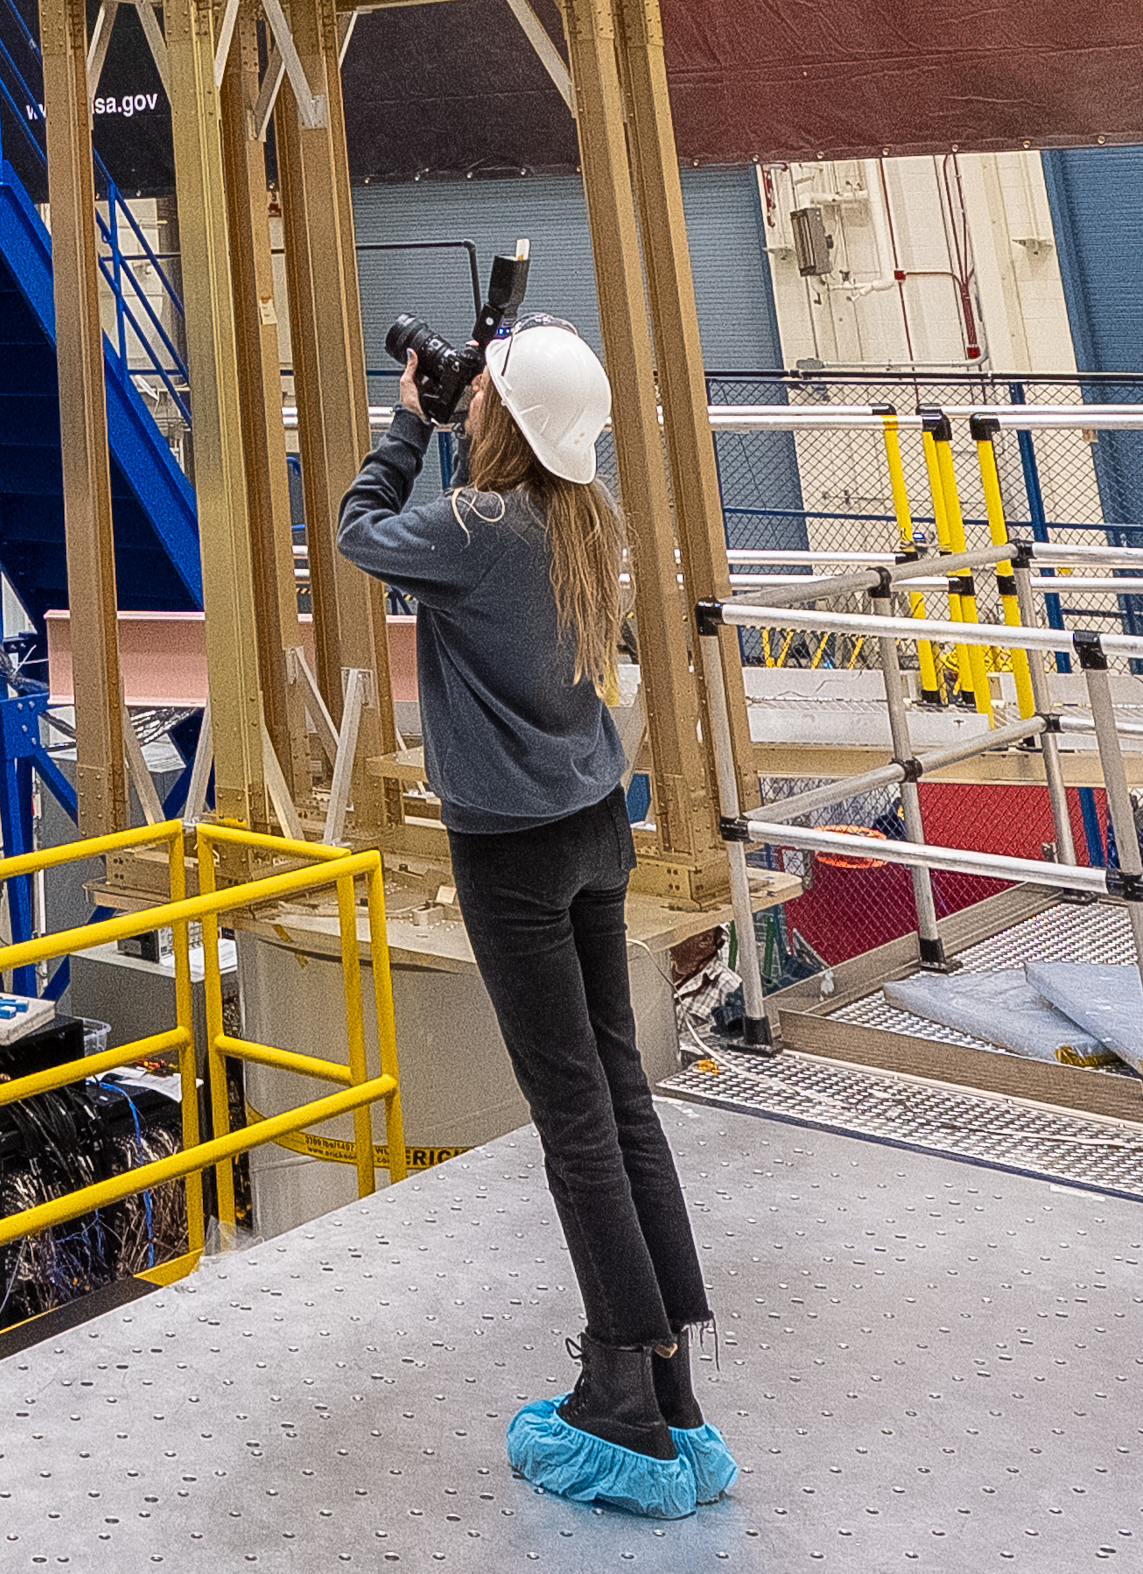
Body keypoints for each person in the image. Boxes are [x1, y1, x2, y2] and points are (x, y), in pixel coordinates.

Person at [343, 319, 727, 1516]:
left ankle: (620, 1393)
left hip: (508, 853)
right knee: (618, 1097)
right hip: (592, 831)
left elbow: (359, 532)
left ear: (495, 420)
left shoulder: (474, 528)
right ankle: (673, 1389)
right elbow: (481, 528)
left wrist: (410, 419)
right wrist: (487, 406)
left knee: (570, 1120)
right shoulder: (578, 521)